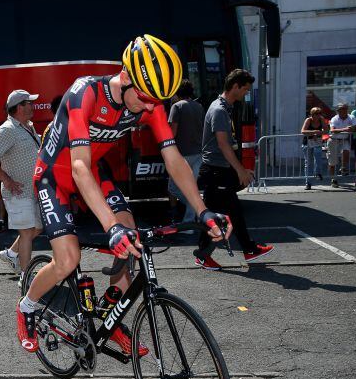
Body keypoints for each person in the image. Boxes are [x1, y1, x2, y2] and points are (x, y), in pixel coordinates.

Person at [17, 34, 231, 354]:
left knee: (133, 243)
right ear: (127, 76)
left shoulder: (151, 102)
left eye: (155, 101)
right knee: (69, 258)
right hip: (55, 176)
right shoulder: (84, 93)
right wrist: (110, 227)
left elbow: (173, 160)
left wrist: (203, 211)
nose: (149, 108)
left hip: (94, 170)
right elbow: (78, 166)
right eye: (145, 98)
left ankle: (107, 319)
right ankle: (28, 306)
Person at [193, 69, 274, 270]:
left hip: (219, 170)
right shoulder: (220, 110)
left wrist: (239, 170)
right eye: (245, 89)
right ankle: (208, 255)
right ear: (235, 86)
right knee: (221, 214)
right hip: (216, 170)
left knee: (229, 213)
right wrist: (240, 171)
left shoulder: (225, 108)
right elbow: (223, 144)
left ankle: (247, 249)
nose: (246, 93)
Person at [0, 90, 43, 282]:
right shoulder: (8, 129)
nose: (32, 106)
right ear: (18, 107)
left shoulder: (28, 127)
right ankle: (26, 277)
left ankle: (11, 253)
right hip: (18, 192)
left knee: (38, 229)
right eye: (28, 103)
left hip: (32, 191)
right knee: (26, 232)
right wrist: (6, 180)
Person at [167, 79, 205, 225]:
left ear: (178, 92)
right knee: (192, 188)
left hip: (181, 154)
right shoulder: (199, 106)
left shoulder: (177, 107)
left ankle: (190, 219)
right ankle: (196, 210)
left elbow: (173, 132)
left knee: (173, 188)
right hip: (198, 153)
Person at [327, 103, 356, 187]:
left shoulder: (351, 117)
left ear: (347, 110)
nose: (343, 111)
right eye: (341, 109)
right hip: (333, 140)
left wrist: (353, 128)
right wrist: (346, 129)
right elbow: (333, 130)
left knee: (346, 151)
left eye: (345, 109)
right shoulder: (334, 119)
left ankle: (343, 168)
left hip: (344, 139)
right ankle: (333, 179)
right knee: (332, 161)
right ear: (338, 111)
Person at [300, 107, 327, 190]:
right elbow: (303, 131)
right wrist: (314, 132)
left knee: (318, 158)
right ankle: (308, 182)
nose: (318, 116)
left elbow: (326, 130)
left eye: (319, 114)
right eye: (316, 114)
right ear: (312, 114)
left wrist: (320, 132)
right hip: (307, 143)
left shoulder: (321, 119)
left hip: (317, 142)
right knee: (308, 163)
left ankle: (318, 173)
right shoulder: (308, 120)